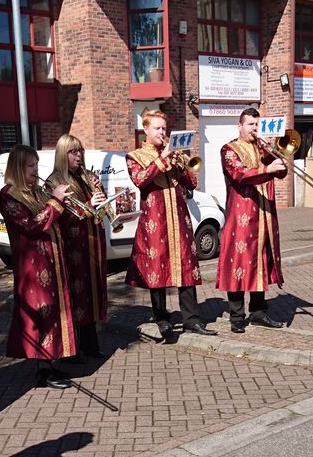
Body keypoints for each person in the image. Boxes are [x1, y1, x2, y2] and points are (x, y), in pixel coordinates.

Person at [125, 109, 215, 341]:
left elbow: (191, 183)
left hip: (179, 219)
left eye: (164, 128)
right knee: (157, 270)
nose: (162, 132)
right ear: (146, 129)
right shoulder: (135, 156)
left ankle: (192, 320)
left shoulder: (174, 154)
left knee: (186, 267)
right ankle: (162, 320)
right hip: (155, 222)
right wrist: (163, 158)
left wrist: (181, 163)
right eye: (157, 128)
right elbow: (140, 180)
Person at [1, 143, 77, 388]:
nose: (35, 170)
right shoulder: (9, 194)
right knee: (42, 313)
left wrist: (66, 207)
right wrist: (55, 202)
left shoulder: (38, 191)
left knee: (55, 311)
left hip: (52, 260)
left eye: (36, 165)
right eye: (30, 166)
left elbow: (54, 222)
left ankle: (51, 362)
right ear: (17, 168)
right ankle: (43, 371)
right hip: (32, 267)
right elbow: (32, 225)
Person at [217, 107, 287, 333]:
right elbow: (240, 174)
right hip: (241, 217)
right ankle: (237, 316)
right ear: (240, 126)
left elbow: (281, 171)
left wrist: (275, 153)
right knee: (237, 262)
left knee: (261, 263)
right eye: (250, 125)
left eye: (257, 125)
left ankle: (258, 313)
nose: (254, 129)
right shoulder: (229, 149)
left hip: (263, 215)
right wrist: (267, 167)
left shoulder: (262, 147)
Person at [46, 134, 110, 359]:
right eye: (73, 152)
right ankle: (75, 349)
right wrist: (89, 206)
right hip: (74, 246)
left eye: (80, 150)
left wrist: (104, 201)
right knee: (77, 296)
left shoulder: (88, 176)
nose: (78, 155)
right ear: (62, 155)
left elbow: (101, 206)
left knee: (93, 293)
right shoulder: (54, 181)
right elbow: (60, 216)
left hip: (93, 242)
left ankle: (91, 344)